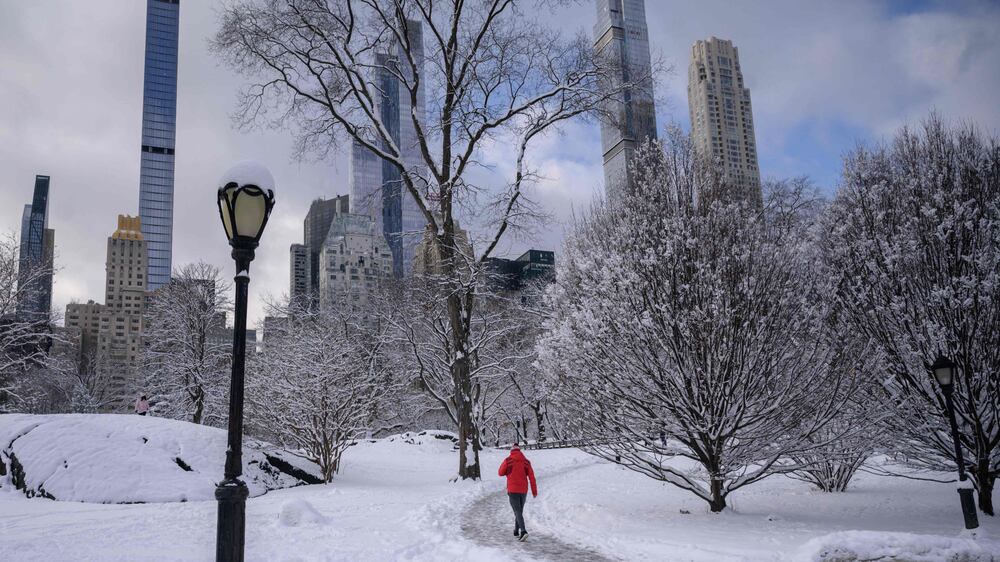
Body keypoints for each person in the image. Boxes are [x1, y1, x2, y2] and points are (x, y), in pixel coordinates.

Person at [498, 444, 537, 541]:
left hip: (513, 490)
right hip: (523, 490)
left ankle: (523, 531)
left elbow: (500, 473)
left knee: (517, 511)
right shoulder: (526, 462)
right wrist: (534, 491)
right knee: (519, 510)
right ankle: (516, 530)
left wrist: (508, 471)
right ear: (520, 451)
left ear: (511, 451)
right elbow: (532, 477)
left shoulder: (508, 460)